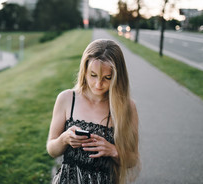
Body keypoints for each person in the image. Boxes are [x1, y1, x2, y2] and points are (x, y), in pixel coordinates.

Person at [47, 39, 140, 184]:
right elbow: (52, 150)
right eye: (93, 75)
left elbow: (132, 160)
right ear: (84, 71)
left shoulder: (127, 107)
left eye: (107, 78)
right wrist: (64, 138)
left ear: (117, 77)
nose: (98, 84)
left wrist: (113, 150)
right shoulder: (67, 99)